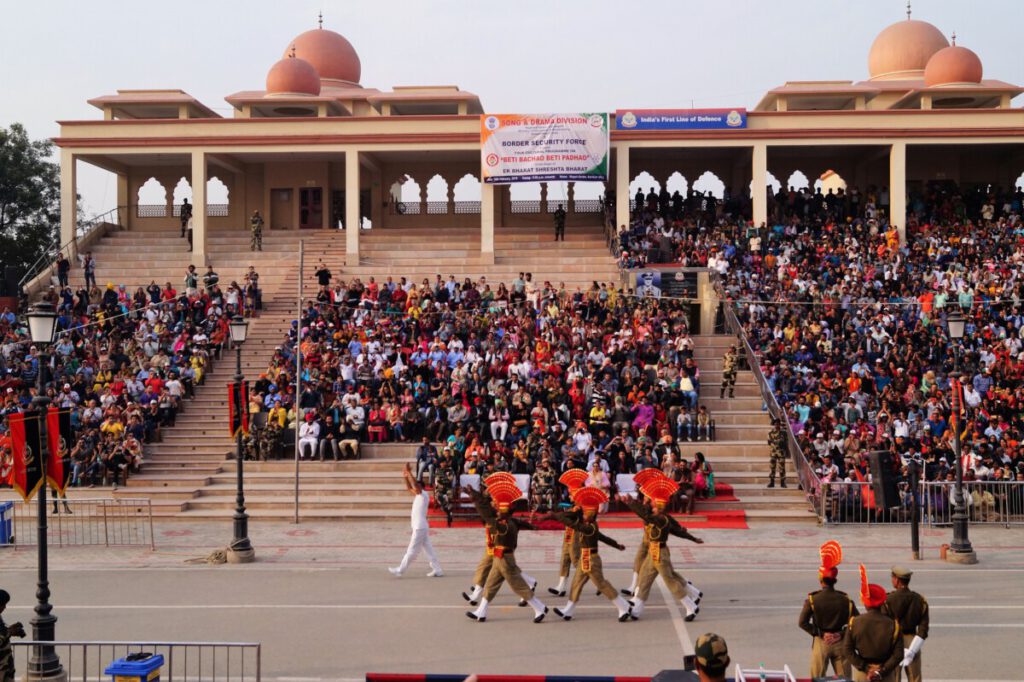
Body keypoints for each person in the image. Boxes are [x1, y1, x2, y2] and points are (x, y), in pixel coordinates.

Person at [464, 479, 547, 623]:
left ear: (505, 512)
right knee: (490, 585)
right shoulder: (510, 522)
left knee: (518, 586)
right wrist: (475, 495)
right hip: (499, 557)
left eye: (500, 510)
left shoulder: (503, 526)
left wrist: (475, 499)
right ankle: (481, 612)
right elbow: (490, 511)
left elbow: (486, 514)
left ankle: (539, 607)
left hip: (505, 559)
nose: (497, 511)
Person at [621, 478, 703, 621]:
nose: (651, 503)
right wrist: (693, 538)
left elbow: (646, 515)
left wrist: (630, 502)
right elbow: (677, 531)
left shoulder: (661, 520)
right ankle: (637, 609)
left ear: (659, 506)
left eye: (653, 502)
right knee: (644, 579)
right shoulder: (658, 517)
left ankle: (691, 606)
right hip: (653, 553)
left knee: (670, 581)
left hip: (660, 554)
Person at [552, 486, 632, 622]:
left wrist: (557, 515)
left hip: (592, 560)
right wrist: (616, 545)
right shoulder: (592, 525)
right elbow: (603, 537)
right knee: (576, 584)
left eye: (584, 514)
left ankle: (623, 606)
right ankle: (568, 610)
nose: (582, 516)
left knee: (602, 584)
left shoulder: (589, 527)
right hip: (585, 559)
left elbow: (567, 521)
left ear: (591, 515)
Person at [799, 541, 857, 679]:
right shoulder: (846, 600)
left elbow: (802, 622)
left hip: (821, 642)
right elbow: (855, 624)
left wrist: (820, 633)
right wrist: (840, 634)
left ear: (821, 580)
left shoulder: (813, 600)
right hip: (840, 643)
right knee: (844, 679)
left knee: (817, 678)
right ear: (835, 580)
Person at [844, 565, 903, 682]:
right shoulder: (893, 625)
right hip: (885, 674)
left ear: (865, 604)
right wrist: (881, 671)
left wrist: (866, 669)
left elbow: (847, 650)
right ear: (882, 603)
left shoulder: (855, 622)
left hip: (863, 674)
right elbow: (898, 655)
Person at [388, 462, 443, 577]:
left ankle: (400, 570)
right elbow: (409, 487)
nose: (415, 487)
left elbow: (416, 487)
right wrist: (405, 477)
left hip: (419, 527)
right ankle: (437, 569)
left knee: (411, 551)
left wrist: (409, 473)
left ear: (421, 487)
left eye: (417, 485)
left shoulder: (423, 495)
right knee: (429, 550)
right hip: (421, 527)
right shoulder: (419, 495)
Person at [546, 469, 587, 597]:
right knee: (565, 558)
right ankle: (561, 586)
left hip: (576, 533)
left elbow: (573, 515)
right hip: (568, 532)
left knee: (575, 559)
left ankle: (596, 579)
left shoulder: (581, 505)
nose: (569, 494)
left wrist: (556, 515)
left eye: (571, 492)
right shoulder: (574, 503)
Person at [885, 566, 928, 682]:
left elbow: (883, 626)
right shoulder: (920, 600)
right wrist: (912, 650)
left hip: (894, 641)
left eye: (892, 577)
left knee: (894, 677)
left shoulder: (887, 600)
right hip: (912, 641)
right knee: (915, 677)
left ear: (897, 580)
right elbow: (923, 629)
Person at [0, 589, 26, 682]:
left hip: (6, 666)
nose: (4, 607)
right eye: (3, 605)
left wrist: (11, 629)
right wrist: (9, 632)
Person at [768, 417, 787, 488]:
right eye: (775, 424)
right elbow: (769, 442)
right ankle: (771, 482)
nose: (777, 425)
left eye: (778, 424)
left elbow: (786, 442)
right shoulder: (770, 433)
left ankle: (783, 482)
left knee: (782, 468)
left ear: (780, 424)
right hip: (773, 452)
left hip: (781, 453)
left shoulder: (784, 433)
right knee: (772, 467)